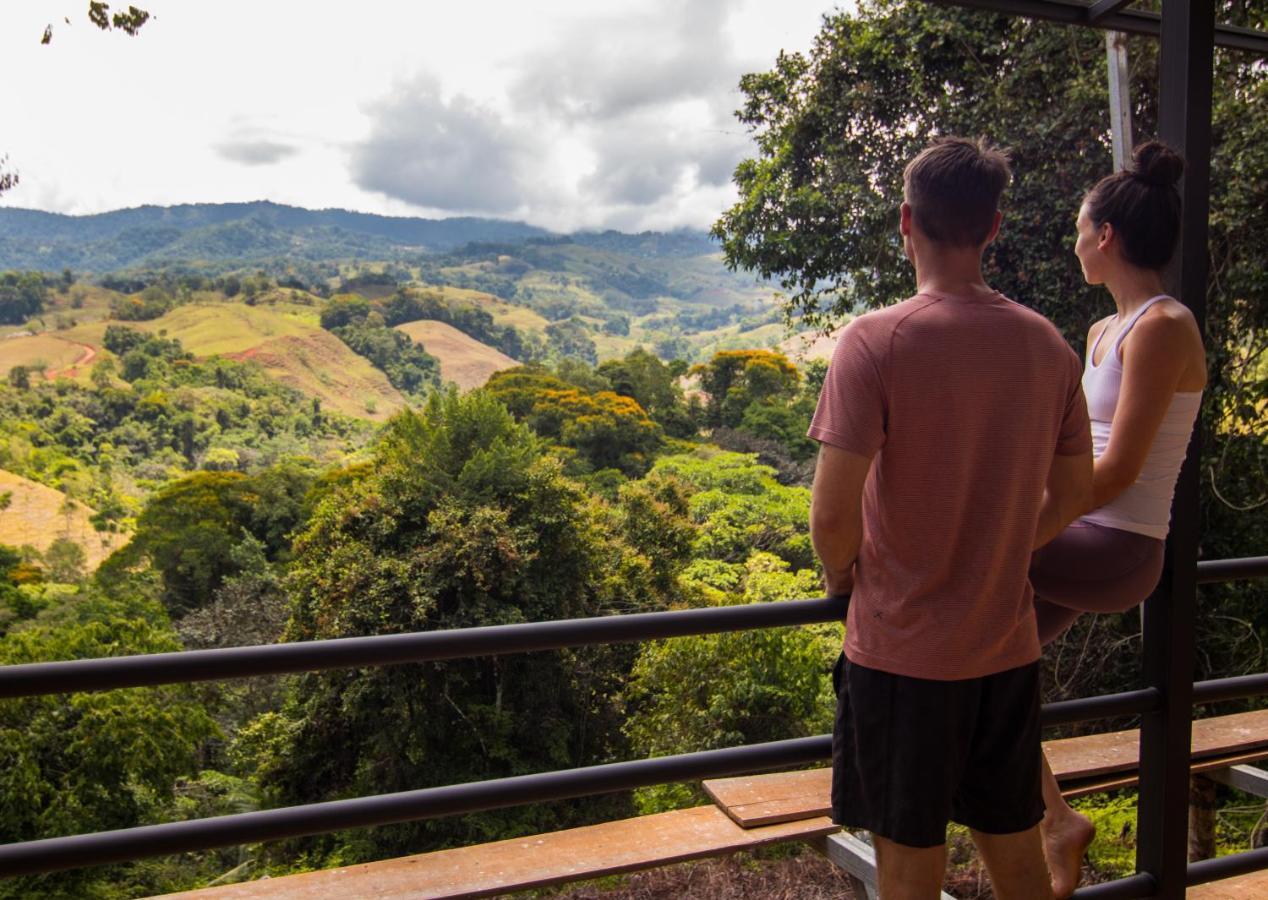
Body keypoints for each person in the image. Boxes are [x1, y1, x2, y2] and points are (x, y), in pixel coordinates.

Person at [808, 136, 1093, 900]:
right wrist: (1000, 547)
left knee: (908, 869)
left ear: (906, 221)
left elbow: (832, 518)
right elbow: (1073, 490)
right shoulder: (1047, 346)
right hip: (1006, 651)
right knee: (1017, 858)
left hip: (903, 658)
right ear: (994, 227)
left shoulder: (875, 341)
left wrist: (845, 575)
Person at [1031, 141, 1205, 898]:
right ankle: (1053, 821)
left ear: (1107, 237)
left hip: (1120, 543)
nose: (1073, 244)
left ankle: (1042, 823)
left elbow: (1121, 470)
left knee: (951, 576)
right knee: (981, 661)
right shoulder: (1105, 331)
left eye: (1078, 230)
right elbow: (1067, 453)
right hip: (1078, 535)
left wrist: (1015, 527)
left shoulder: (1164, 326)